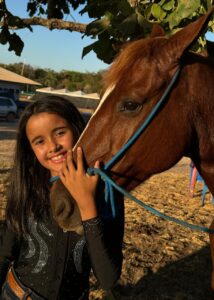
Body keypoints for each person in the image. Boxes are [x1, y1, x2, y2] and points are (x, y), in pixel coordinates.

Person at [0, 95, 124, 300]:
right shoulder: (28, 187)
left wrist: (87, 205)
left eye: (60, 133)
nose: (52, 146)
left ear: (78, 129)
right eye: (39, 141)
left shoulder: (108, 192)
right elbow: (5, 253)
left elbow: (107, 279)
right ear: (30, 149)